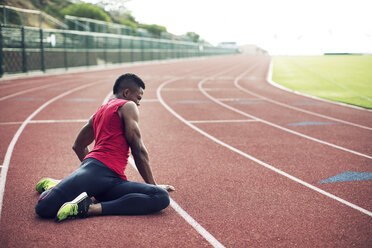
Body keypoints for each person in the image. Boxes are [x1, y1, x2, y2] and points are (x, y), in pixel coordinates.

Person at [35, 73, 175, 222]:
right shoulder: (128, 106)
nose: (139, 103)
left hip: (112, 180)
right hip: (97, 172)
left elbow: (79, 146)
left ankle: (90, 208)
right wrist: (152, 186)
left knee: (161, 196)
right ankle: (58, 185)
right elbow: (138, 149)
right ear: (127, 93)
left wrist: (87, 174)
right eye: (138, 98)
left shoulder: (100, 111)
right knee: (44, 207)